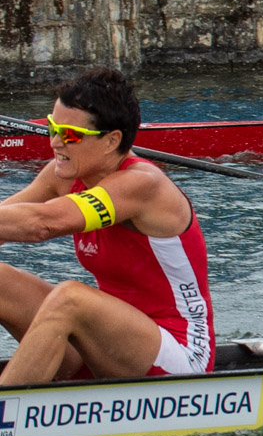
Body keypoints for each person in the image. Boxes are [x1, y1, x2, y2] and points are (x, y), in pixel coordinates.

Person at [0, 67, 215, 385]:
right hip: (108, 347)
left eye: (70, 135)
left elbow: (41, 224)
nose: (56, 143)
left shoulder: (142, 185)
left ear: (112, 140)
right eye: (52, 127)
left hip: (179, 354)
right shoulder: (64, 173)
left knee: (71, 297)